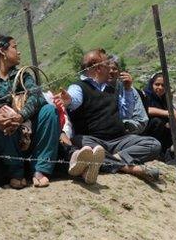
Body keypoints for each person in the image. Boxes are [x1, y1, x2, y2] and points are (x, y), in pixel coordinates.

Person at [58, 49, 162, 182]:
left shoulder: (112, 89)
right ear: (98, 68)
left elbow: (126, 113)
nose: (111, 70)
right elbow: (74, 100)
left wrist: (128, 89)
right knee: (80, 143)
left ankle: (108, 160)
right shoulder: (78, 87)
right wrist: (69, 100)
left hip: (118, 140)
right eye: (108, 65)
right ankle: (128, 168)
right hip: (93, 141)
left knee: (153, 144)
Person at [0, 35, 59, 188]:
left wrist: (20, 115)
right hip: (0, 134)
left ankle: (40, 169)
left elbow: (38, 96)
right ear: (2, 51)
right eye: (15, 47)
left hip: (25, 126)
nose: (18, 52)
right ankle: (15, 172)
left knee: (49, 111)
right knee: (3, 119)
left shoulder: (22, 76)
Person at [143, 73, 176, 153]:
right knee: (157, 122)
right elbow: (146, 109)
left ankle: (174, 149)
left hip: (164, 128)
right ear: (151, 84)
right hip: (148, 129)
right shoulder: (145, 95)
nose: (160, 88)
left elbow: (172, 111)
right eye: (157, 84)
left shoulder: (164, 98)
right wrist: (168, 113)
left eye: (163, 85)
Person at [105, 57, 149, 134]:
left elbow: (141, 119)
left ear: (119, 72)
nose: (111, 71)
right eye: (107, 68)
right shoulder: (95, 90)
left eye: (114, 69)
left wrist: (127, 89)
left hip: (129, 130)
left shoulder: (129, 89)